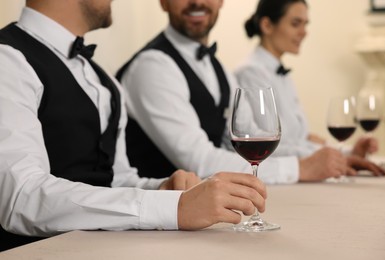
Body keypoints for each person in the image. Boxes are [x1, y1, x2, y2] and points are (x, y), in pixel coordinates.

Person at [0, 0, 268, 251]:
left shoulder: (101, 79)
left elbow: (115, 178)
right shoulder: (7, 60)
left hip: (105, 248)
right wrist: (174, 208)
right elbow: (20, 198)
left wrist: (161, 188)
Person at [117, 0, 367, 184]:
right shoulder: (151, 67)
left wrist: (332, 157)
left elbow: (257, 136)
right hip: (159, 225)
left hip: (210, 213)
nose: (197, 2)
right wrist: (299, 168)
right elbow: (199, 160)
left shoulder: (219, 70)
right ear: (163, 2)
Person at [234, 0, 385, 176]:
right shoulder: (249, 74)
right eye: (295, 24)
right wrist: (332, 158)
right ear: (267, 25)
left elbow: (301, 138)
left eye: (306, 24)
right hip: (279, 180)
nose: (304, 32)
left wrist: (348, 152)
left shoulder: (282, 74)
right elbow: (264, 145)